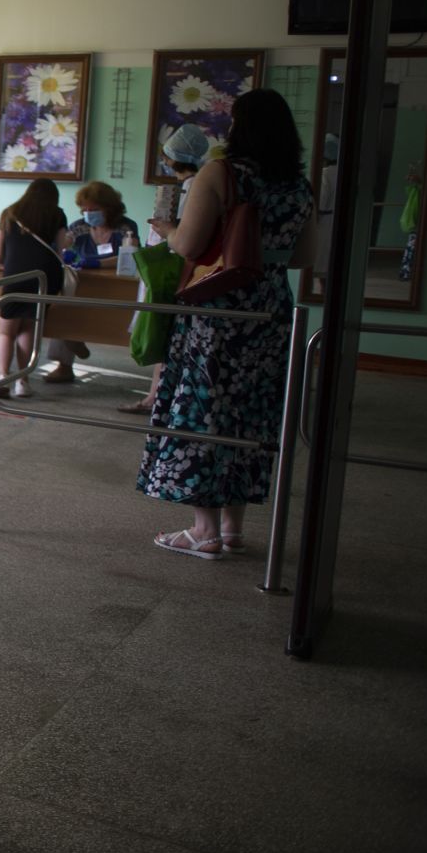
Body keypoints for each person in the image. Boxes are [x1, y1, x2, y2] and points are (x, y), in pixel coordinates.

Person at [138, 88, 315, 559]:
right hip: (270, 305)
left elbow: (190, 246)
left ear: (241, 126)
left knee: (204, 410)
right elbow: (306, 254)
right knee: (249, 414)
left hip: (220, 307)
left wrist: (169, 231)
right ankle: (234, 526)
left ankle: (204, 530)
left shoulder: (220, 172)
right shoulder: (297, 182)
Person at [121, 125, 211, 415]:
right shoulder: (187, 187)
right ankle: (156, 395)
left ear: (173, 158)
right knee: (163, 329)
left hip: (175, 267)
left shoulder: (196, 188)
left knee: (164, 329)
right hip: (168, 264)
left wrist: (166, 229)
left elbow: (185, 235)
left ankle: (157, 398)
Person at [44, 181, 142, 383]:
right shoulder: (79, 227)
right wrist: (65, 246)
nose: (88, 213)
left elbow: (130, 257)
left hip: (116, 284)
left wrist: (97, 264)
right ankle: (65, 363)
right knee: (63, 308)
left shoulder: (125, 227)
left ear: (109, 207)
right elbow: (64, 249)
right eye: (84, 209)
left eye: (94, 209)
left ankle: (74, 341)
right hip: (82, 281)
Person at [0, 181, 68, 399]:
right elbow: (60, 251)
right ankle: (22, 382)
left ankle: (2, 379)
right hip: (45, 278)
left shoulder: (9, 213)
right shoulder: (57, 214)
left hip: (16, 276)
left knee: (6, 331)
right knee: (28, 328)